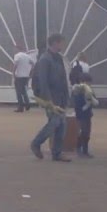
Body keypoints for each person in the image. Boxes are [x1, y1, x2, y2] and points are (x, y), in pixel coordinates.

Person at [29, 34, 71, 162]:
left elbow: (63, 79)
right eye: (61, 42)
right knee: (55, 122)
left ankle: (57, 153)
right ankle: (36, 143)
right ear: (54, 43)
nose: (63, 45)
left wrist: (66, 96)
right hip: (51, 98)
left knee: (62, 125)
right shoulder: (45, 59)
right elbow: (43, 81)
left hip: (61, 96)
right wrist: (48, 100)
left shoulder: (58, 58)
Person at [71, 72, 98, 158]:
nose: (88, 84)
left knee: (87, 132)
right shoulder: (77, 90)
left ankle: (83, 149)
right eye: (86, 82)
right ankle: (81, 149)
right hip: (81, 114)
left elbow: (95, 102)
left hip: (87, 114)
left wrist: (91, 100)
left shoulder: (89, 91)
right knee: (84, 131)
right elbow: (76, 103)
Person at [12, 46, 35, 112]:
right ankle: (27, 104)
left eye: (15, 49)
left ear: (18, 49)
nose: (14, 50)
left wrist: (13, 73)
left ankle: (20, 107)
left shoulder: (17, 56)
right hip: (26, 76)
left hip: (19, 76)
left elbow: (15, 65)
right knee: (24, 91)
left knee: (18, 92)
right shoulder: (27, 56)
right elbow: (33, 64)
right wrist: (31, 72)